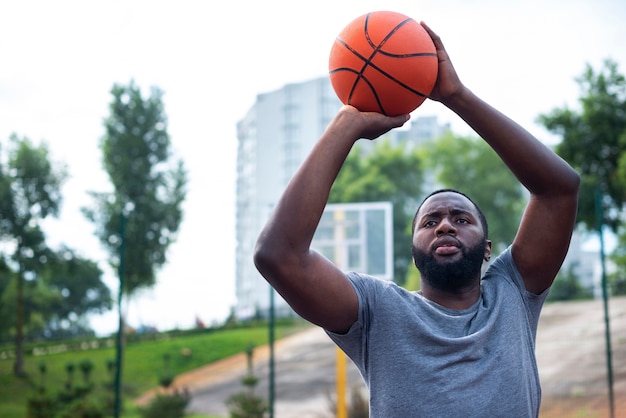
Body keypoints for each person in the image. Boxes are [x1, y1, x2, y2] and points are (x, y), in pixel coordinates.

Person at [254, 22, 580, 417]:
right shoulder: (378, 311)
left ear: (488, 249)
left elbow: (560, 189)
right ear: (414, 253)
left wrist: (457, 96)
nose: (445, 225)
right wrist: (346, 125)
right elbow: (278, 256)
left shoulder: (512, 292)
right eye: (430, 223)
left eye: (461, 219)